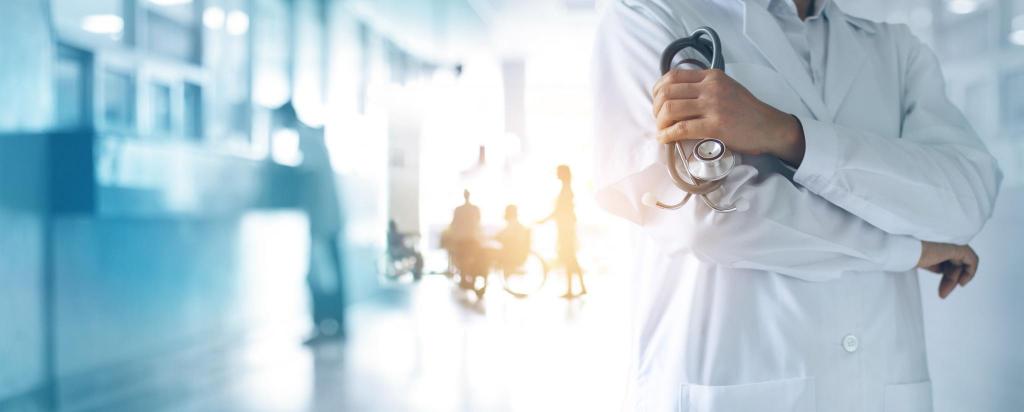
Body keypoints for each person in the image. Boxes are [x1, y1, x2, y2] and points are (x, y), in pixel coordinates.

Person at [592, 0, 1002, 410]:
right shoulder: (646, 14)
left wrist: (787, 134)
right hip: (727, 385)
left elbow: (966, 199)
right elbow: (705, 221)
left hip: (882, 391)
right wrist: (907, 249)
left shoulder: (896, 49)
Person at [539, 165, 586, 298]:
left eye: (558, 172)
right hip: (566, 228)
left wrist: (543, 220)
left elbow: (560, 211)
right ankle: (581, 287)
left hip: (566, 230)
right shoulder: (566, 189)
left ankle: (571, 289)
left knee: (568, 258)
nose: (556, 174)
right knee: (571, 258)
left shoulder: (566, 190)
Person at [441, 190, 485, 287]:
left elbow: (453, 225)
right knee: (472, 258)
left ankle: (464, 278)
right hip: (472, 239)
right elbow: (478, 223)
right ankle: (470, 278)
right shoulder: (475, 209)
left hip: (461, 240)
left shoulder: (458, 209)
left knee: (461, 259)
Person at [494, 205, 532, 274]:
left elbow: (504, 234)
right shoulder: (517, 224)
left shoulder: (513, 224)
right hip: (518, 252)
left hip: (513, 253)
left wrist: (496, 237)